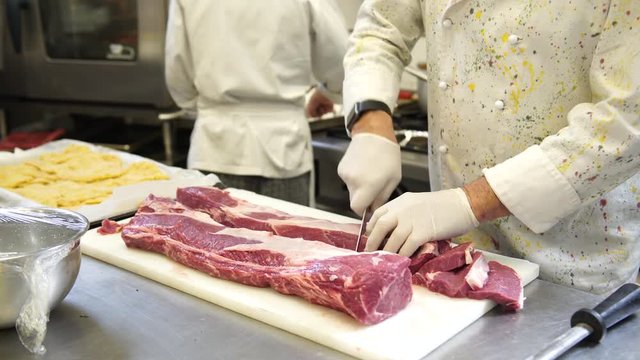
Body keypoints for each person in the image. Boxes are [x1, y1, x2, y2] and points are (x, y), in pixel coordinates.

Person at [338, 0, 640, 294]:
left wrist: (468, 203)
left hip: (573, 262)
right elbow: (381, 27)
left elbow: (627, 120)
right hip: (453, 247)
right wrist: (370, 124)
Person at [165, 0, 348, 206]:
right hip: (283, 146)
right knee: (287, 234)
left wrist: (211, 110)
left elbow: (176, 71)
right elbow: (340, 56)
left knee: (211, 233)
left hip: (214, 145)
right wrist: (329, 93)